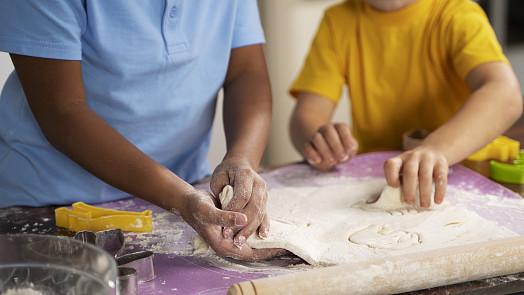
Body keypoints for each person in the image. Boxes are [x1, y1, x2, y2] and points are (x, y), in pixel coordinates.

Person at [0, 1, 284, 261]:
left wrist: (242, 160)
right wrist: (181, 199)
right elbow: (62, 111)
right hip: (49, 207)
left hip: (180, 197)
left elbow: (246, 74)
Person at [289, 0, 522, 207]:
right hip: (372, 180)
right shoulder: (338, 20)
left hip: (456, 177)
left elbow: (505, 95)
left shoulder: (456, 14)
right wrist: (318, 141)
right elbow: (307, 113)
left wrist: (436, 150)